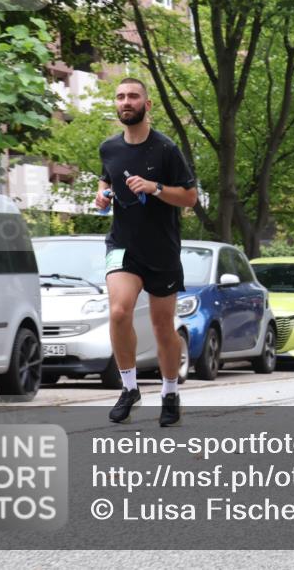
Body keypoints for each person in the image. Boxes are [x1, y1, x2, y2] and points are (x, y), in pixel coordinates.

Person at [94, 77, 198, 425]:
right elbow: (106, 179)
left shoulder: (166, 149)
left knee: (162, 327)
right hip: (122, 245)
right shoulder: (109, 148)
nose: (126, 101)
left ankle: (170, 393)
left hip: (162, 250)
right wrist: (101, 195)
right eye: (121, 96)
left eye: (133, 96)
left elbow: (189, 197)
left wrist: (154, 188)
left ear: (147, 104)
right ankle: (129, 388)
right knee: (119, 312)